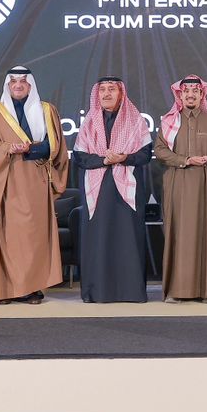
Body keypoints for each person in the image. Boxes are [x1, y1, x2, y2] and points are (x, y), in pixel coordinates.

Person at [0, 67, 69, 305]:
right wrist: (7, 148)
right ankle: (3, 290)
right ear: (7, 85)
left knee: (32, 237)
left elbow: (55, 145)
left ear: (31, 85)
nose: (18, 85)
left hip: (34, 181)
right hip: (4, 182)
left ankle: (32, 289)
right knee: (6, 235)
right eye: (13, 81)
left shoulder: (47, 110)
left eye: (23, 82)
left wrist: (30, 149)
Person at [72, 76, 154, 303]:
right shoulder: (89, 123)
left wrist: (123, 157)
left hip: (127, 191)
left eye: (111, 89)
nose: (106, 94)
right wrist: (104, 161)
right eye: (102, 90)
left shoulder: (135, 121)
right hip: (97, 190)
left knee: (127, 240)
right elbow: (79, 156)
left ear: (121, 94)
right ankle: (97, 292)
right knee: (99, 240)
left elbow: (145, 155)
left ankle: (131, 292)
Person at [154, 75, 207, 303]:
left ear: (201, 95)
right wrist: (185, 160)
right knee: (179, 234)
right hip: (177, 184)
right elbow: (160, 151)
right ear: (180, 95)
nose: (190, 95)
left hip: (206, 186)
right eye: (186, 91)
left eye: (195, 91)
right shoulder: (170, 122)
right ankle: (175, 291)